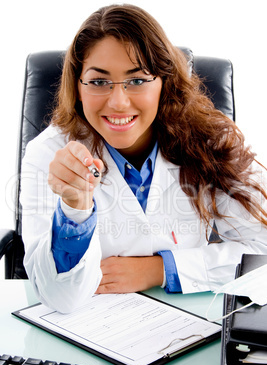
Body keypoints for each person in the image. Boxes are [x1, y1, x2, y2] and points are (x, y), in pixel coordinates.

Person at [21, 4, 267, 313]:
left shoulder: (211, 139)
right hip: (93, 326)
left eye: (137, 80)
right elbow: (60, 297)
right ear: (78, 88)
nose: (118, 101)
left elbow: (262, 253)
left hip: (190, 319)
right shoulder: (48, 154)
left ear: (164, 82)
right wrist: (75, 207)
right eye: (99, 82)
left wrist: (161, 269)